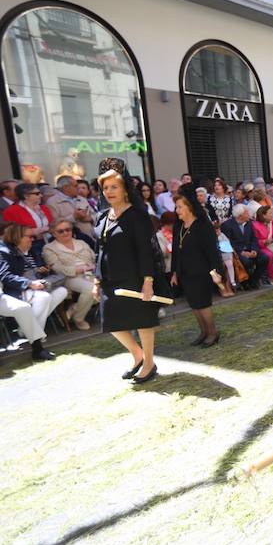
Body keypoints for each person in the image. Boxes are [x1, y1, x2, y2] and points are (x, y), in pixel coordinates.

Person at [93, 158, 167, 384]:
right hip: (109, 278)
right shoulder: (102, 216)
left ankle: (149, 363)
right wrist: (96, 280)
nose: (109, 191)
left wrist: (148, 281)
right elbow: (99, 251)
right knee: (111, 322)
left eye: (114, 186)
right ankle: (137, 355)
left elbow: (146, 250)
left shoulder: (137, 215)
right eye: (105, 188)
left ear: (125, 189)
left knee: (142, 320)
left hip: (135, 277)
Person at [0, 223, 68, 360]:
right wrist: (29, 283)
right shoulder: (4, 251)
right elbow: (5, 276)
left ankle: (27, 332)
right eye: (29, 236)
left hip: (23, 289)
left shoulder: (19, 250)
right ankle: (37, 346)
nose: (33, 239)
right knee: (42, 298)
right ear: (17, 236)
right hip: (13, 291)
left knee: (61, 291)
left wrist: (38, 276)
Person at [171, 188, 221, 347]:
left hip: (201, 271)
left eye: (179, 206)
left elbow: (212, 251)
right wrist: (174, 272)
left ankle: (212, 333)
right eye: (176, 207)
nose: (177, 210)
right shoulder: (178, 226)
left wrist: (215, 272)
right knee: (193, 304)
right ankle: (203, 331)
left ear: (189, 206)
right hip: (185, 272)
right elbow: (175, 251)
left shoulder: (202, 225)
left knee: (203, 303)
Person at [42, 219, 97, 331]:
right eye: (60, 231)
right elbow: (57, 268)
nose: (65, 233)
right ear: (53, 233)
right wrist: (79, 269)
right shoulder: (49, 248)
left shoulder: (81, 243)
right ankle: (79, 319)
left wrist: (93, 266)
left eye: (68, 229)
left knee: (105, 286)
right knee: (92, 289)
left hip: (91, 273)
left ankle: (74, 309)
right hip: (69, 277)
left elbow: (94, 258)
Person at [221, 203, 268, 289]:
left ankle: (253, 281)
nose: (249, 214)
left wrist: (254, 250)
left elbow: (254, 238)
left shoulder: (249, 223)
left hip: (250, 249)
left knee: (264, 258)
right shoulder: (227, 225)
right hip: (237, 252)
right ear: (240, 215)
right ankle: (244, 283)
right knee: (246, 262)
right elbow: (227, 242)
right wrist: (241, 252)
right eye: (247, 213)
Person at [4, 182, 53, 254]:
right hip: (29, 246)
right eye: (37, 193)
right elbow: (11, 232)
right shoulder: (11, 211)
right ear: (26, 196)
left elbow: (51, 223)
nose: (41, 195)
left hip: (48, 242)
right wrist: (34, 232)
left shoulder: (43, 208)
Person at [252, 205, 273, 282]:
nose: (272, 215)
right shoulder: (255, 225)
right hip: (262, 247)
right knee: (269, 255)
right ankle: (271, 277)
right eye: (270, 213)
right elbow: (254, 240)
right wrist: (264, 242)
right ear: (263, 215)